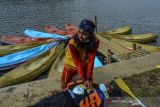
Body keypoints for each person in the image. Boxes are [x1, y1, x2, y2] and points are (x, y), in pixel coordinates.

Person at [61, 19, 99, 89]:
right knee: (64, 86)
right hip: (70, 66)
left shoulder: (95, 41)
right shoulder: (72, 43)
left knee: (89, 84)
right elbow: (78, 63)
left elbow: (91, 60)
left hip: (84, 64)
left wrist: (89, 78)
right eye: (79, 32)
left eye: (84, 34)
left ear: (90, 35)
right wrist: (84, 80)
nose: (80, 36)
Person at [31, 80, 122, 107]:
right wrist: (60, 91)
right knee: (41, 103)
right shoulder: (93, 85)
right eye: (109, 84)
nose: (108, 85)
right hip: (63, 95)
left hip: (68, 103)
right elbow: (76, 87)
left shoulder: (104, 100)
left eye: (110, 87)